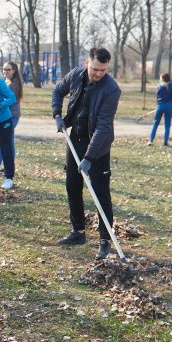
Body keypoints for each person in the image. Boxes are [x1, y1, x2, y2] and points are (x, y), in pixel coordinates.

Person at [52, 47, 121, 261]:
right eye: (95, 69)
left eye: (103, 70)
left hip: (98, 146)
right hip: (76, 138)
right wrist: (57, 114)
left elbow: (102, 126)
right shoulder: (76, 75)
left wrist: (89, 157)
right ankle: (78, 232)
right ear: (86, 63)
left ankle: (104, 240)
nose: (99, 73)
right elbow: (57, 91)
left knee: (100, 192)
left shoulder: (111, 90)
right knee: (72, 185)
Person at [0, 61, 23, 171]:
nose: (6, 71)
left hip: (12, 116)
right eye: (4, 69)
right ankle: (8, 166)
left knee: (5, 140)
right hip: (6, 115)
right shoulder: (6, 81)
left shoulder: (13, 84)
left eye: (8, 69)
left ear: (14, 70)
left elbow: (10, 101)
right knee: (8, 141)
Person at [148, 73, 172, 146]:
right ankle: (165, 142)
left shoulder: (159, 86)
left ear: (163, 79)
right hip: (168, 106)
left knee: (155, 123)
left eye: (160, 78)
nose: (159, 79)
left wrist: (159, 104)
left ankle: (150, 140)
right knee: (167, 125)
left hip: (159, 106)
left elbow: (157, 96)